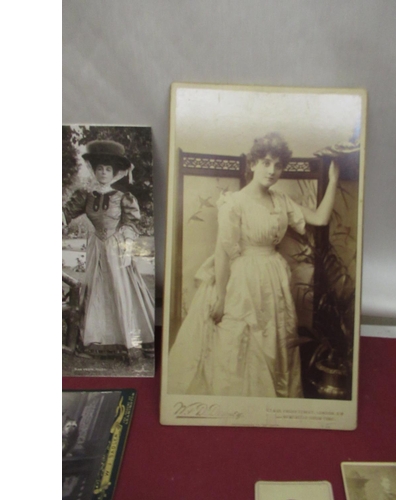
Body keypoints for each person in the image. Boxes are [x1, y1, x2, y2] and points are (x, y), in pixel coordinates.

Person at [168, 132, 339, 397]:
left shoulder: (281, 200)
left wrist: (334, 180)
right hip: (243, 278)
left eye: (278, 165)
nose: (272, 171)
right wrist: (222, 297)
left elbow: (319, 218)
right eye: (266, 163)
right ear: (253, 164)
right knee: (242, 342)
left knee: (274, 341)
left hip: (274, 277)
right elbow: (223, 252)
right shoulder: (234, 203)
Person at [63, 140, 154, 360]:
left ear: (113, 173)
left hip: (116, 246)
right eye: (99, 169)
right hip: (96, 246)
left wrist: (128, 245)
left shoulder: (122, 197)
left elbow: (131, 223)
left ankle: (128, 340)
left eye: (107, 169)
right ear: (93, 171)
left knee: (120, 288)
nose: (103, 172)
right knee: (96, 289)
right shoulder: (85, 195)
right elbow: (66, 213)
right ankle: (97, 339)